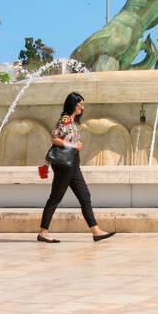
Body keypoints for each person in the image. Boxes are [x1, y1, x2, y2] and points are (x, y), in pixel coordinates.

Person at [37, 92, 115, 244]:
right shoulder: (65, 119)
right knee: (55, 197)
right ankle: (43, 232)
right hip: (65, 165)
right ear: (73, 104)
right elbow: (54, 138)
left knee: (84, 196)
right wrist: (72, 146)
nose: (82, 108)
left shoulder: (72, 121)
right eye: (80, 105)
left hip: (73, 164)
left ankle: (95, 231)